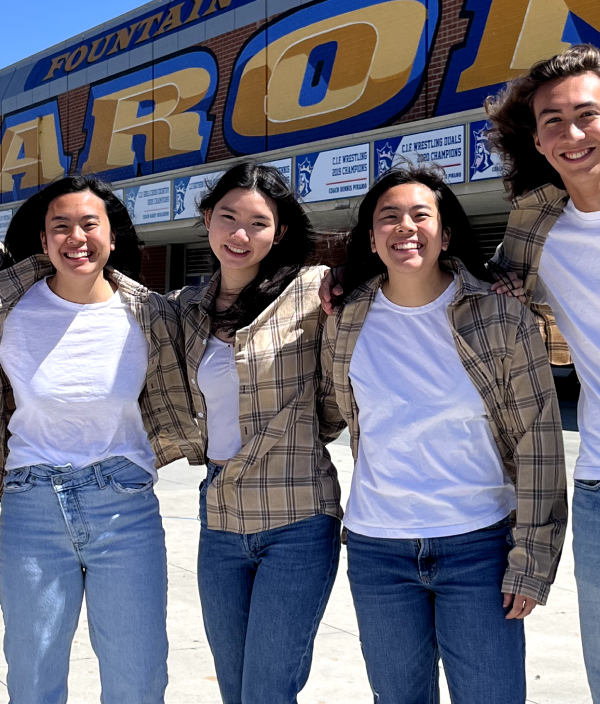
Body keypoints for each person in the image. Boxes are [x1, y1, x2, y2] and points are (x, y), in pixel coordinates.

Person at [319, 165, 567, 703]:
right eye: (389, 217)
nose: (404, 227)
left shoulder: (502, 315)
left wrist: (532, 560)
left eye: (420, 215)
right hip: (377, 550)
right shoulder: (344, 320)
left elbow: (539, 443)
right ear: (370, 238)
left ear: (446, 233)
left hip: (479, 547)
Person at [0, 176, 202, 703]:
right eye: (60, 227)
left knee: (136, 678)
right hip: (31, 506)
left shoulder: (151, 314)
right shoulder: (8, 309)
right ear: (43, 243)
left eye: (90, 224)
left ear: (112, 237)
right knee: (32, 678)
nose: (76, 237)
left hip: (124, 507)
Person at [165, 162, 344, 704]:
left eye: (258, 223)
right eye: (228, 217)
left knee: (267, 690)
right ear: (206, 220)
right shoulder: (183, 309)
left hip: (298, 516)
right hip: (218, 518)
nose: (240, 235)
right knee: (234, 687)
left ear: (280, 232)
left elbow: (410, 269)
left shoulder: (315, 292)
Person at [484, 43, 600, 702]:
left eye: (587, 114)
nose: (571, 133)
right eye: (552, 120)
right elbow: (484, 283)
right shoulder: (536, 221)